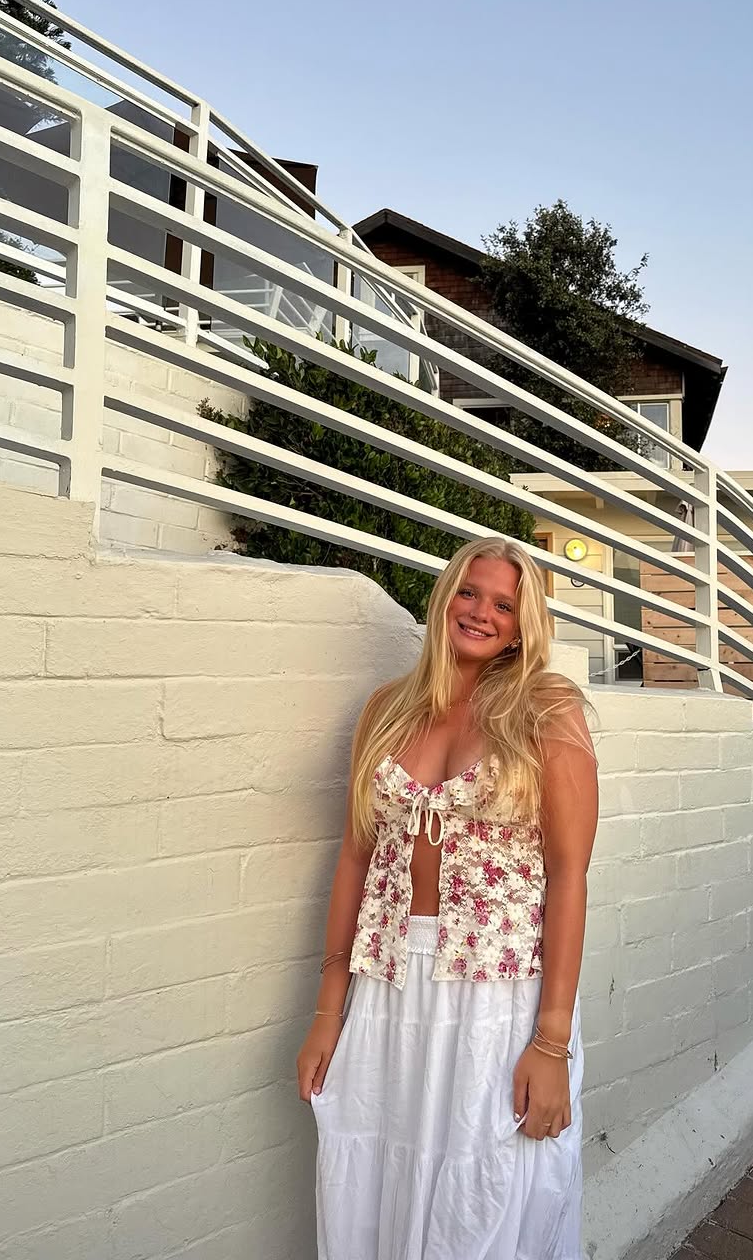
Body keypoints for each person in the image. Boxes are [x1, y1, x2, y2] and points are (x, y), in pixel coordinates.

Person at [296, 535, 598, 1260]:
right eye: (469, 591)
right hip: (387, 986)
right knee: (376, 1183)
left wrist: (551, 1042)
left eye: (504, 604)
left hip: (498, 996)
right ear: (444, 598)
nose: (481, 612)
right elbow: (355, 857)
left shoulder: (546, 708)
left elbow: (569, 874)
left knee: (483, 1192)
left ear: (523, 625)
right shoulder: (386, 710)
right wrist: (327, 1013)